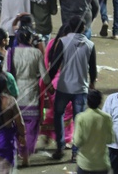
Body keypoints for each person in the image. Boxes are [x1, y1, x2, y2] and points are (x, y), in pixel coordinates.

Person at [49, 16, 98, 161]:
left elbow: (55, 65)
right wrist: (92, 84)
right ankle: (76, 152)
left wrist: (48, 82)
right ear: (83, 29)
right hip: (81, 88)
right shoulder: (90, 44)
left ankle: (60, 146)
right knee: (79, 121)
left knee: (59, 115)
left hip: (64, 86)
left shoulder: (63, 42)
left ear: (69, 27)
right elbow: (93, 68)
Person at [12, 27, 49, 166]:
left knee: (16, 125)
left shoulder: (11, 53)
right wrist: (50, 88)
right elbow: (44, 76)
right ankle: (26, 154)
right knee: (31, 127)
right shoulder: (36, 53)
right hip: (32, 94)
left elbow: (5, 74)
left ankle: (19, 151)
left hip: (16, 94)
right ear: (30, 40)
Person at [73, 89, 114, 174]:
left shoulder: (81, 117)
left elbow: (77, 142)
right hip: (102, 164)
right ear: (100, 102)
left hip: (85, 164)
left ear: (87, 102)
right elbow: (110, 140)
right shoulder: (107, 118)